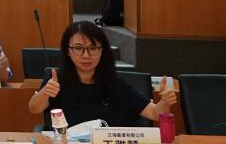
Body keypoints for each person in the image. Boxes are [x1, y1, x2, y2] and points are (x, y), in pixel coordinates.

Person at [29, 21, 176, 126]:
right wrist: (45, 92)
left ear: (102, 51)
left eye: (93, 48)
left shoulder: (115, 83)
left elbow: (155, 114)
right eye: (78, 48)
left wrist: (165, 102)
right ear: (68, 51)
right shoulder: (56, 81)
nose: (86, 55)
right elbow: (34, 108)